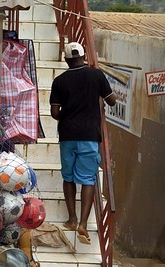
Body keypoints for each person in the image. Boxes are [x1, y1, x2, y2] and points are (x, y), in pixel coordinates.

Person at [49, 40, 117, 244]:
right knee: (88, 179)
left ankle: (72, 219)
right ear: (84, 56)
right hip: (89, 135)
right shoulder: (97, 75)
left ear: (66, 59)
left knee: (68, 177)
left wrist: (69, 114)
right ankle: (83, 224)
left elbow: (55, 113)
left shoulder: (59, 81)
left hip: (68, 135)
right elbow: (112, 100)